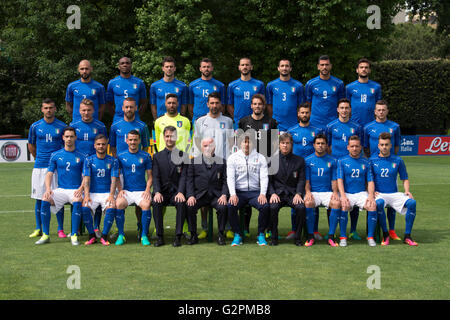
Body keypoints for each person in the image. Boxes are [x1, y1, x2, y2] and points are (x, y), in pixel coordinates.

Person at [35, 127, 85, 246]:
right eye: (67, 136)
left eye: (71, 136)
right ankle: (45, 235)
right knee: (45, 199)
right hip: (61, 189)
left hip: (76, 189)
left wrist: (81, 188)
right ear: (63, 137)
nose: (69, 139)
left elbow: (86, 177)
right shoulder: (55, 155)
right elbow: (49, 174)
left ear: (75, 138)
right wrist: (48, 189)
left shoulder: (82, 156)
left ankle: (73, 235)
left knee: (77, 201)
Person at [192, 92, 233, 239]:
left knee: (224, 195)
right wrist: (197, 164)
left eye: (217, 103)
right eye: (212, 103)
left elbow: (230, 144)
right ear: (207, 104)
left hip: (223, 164)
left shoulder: (228, 121)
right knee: (203, 194)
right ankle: (204, 227)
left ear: (220, 104)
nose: (214, 106)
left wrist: (230, 162)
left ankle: (227, 227)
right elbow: (197, 144)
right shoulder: (200, 121)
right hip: (204, 165)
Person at [237, 93, 278, 238]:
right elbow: (239, 142)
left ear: (264, 106)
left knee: (264, 195)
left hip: (265, 164)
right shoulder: (243, 122)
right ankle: (246, 227)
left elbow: (274, 145)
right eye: (255, 104)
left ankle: (266, 228)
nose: (257, 106)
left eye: (260, 104)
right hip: (249, 164)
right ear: (251, 106)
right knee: (248, 193)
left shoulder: (271, 122)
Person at [370, 132, 418, 246]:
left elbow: (405, 178)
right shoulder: (372, 160)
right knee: (380, 203)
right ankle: (386, 234)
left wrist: (407, 191)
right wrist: (370, 192)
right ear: (378, 146)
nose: (384, 147)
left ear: (391, 145)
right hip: (379, 194)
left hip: (394, 193)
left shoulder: (398, 160)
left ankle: (407, 236)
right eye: (382, 144)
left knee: (412, 203)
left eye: (386, 144)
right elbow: (367, 179)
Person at [28, 98, 67, 239]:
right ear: (42, 109)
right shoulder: (35, 126)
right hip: (39, 167)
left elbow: (65, 146)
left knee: (58, 199)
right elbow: (31, 145)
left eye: (51, 107)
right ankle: (39, 228)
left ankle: (60, 229)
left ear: (55, 109)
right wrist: (38, 157)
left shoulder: (62, 126)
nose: (48, 110)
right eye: (46, 108)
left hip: (56, 169)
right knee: (39, 198)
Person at [363, 100, 401, 239]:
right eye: (378, 110)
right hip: (373, 165)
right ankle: (372, 231)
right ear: (375, 111)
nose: (381, 112)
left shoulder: (394, 126)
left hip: (389, 165)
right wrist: (372, 161)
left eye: (383, 110)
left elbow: (396, 146)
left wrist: (390, 159)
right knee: (373, 197)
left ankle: (391, 230)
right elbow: (365, 147)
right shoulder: (368, 127)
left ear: (387, 111)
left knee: (392, 197)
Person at [70, 98, 107, 236]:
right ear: (79, 111)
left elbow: (103, 144)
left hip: (94, 167)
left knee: (95, 195)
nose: (86, 113)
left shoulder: (100, 126)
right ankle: (78, 228)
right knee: (76, 196)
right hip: (77, 165)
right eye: (83, 110)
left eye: (89, 110)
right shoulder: (73, 125)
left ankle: (96, 227)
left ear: (94, 111)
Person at [286, 102, 322, 240]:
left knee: (314, 196)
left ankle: (315, 230)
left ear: (310, 114)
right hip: (296, 168)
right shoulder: (291, 131)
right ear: (298, 114)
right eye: (302, 112)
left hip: (312, 167)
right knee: (295, 196)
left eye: (307, 112)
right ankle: (294, 230)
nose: (304, 115)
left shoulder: (317, 130)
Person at [226, 134, 270, 247]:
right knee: (230, 205)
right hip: (239, 192)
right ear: (239, 144)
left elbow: (264, 177)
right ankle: (237, 234)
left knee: (265, 206)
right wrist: (233, 194)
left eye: (249, 142)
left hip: (255, 192)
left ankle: (260, 234)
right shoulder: (233, 158)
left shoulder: (260, 158)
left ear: (253, 143)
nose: (246, 144)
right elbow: (230, 178)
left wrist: (262, 194)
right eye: (244, 142)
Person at [335, 135, 378, 247]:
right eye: (352, 146)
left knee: (372, 205)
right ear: (348, 147)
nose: (354, 148)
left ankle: (370, 237)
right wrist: (343, 196)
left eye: (357, 146)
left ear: (360, 148)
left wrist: (370, 196)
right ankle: (343, 237)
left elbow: (370, 181)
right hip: (347, 193)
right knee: (344, 205)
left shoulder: (366, 162)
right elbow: (340, 180)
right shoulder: (341, 161)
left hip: (361, 193)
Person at [186, 137, 229, 245]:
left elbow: (226, 181)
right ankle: (193, 235)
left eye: (210, 145)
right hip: (200, 196)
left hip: (216, 196)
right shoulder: (193, 162)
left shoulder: (222, 162)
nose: (207, 148)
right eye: (205, 146)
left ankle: (220, 235)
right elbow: (189, 181)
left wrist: (224, 195)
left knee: (223, 207)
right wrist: (191, 195)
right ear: (201, 148)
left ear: (214, 147)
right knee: (190, 207)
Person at [152, 126, 188, 247]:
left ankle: (178, 236)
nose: (169, 139)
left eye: (172, 136)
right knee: (156, 203)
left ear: (176, 137)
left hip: (176, 192)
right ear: (163, 137)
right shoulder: (157, 156)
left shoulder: (183, 155)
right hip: (162, 192)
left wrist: (181, 192)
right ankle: (160, 236)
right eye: (167, 136)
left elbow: (184, 177)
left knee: (181, 202)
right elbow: (155, 177)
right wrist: (157, 192)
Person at [115, 130, 153, 246]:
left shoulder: (146, 156)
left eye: (135, 140)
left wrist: (147, 190)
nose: (133, 142)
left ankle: (144, 235)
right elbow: (116, 176)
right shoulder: (121, 156)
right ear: (127, 141)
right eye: (130, 140)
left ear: (139, 141)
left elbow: (150, 177)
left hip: (141, 190)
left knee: (146, 205)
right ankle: (121, 235)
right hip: (126, 190)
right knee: (119, 203)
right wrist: (120, 190)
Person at [268, 133, 306, 246]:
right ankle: (274, 238)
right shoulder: (272, 160)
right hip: (277, 194)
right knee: (272, 207)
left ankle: (298, 238)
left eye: (287, 143)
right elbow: (268, 181)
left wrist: (299, 193)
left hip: (292, 194)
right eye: (283, 143)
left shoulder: (299, 161)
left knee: (301, 207)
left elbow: (301, 180)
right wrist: (272, 193)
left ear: (292, 145)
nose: (285, 146)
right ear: (279, 145)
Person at [303, 134, 340, 247]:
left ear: (326, 146)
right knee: (308, 202)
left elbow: (334, 180)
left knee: (336, 203)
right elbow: (307, 181)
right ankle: (310, 236)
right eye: (318, 143)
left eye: (323, 143)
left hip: (327, 192)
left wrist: (335, 193)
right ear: (314, 145)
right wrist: (308, 192)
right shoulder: (308, 160)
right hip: (313, 192)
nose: (320, 146)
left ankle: (331, 236)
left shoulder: (333, 161)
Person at [81, 134, 119, 246]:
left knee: (111, 207)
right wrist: (86, 195)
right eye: (98, 144)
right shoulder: (88, 160)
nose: (101, 146)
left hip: (107, 192)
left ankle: (104, 236)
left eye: (103, 144)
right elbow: (86, 179)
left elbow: (113, 180)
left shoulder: (113, 160)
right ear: (94, 146)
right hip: (92, 192)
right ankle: (92, 236)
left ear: (107, 145)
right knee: (85, 207)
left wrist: (111, 195)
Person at [305, 55, 345, 131]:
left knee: (332, 143)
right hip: (315, 122)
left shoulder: (339, 83)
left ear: (331, 66)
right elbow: (307, 103)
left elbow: (342, 103)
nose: (324, 67)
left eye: (327, 65)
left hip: (333, 121)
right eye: (322, 65)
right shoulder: (310, 84)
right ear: (318, 67)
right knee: (317, 143)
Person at [266, 59, 305, 132]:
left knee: (292, 143)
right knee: (274, 143)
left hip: (293, 125)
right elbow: (269, 105)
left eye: (287, 66)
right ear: (278, 68)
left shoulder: (298, 86)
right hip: (276, 126)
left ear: (290, 68)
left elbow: (301, 107)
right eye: (282, 66)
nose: (284, 68)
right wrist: (272, 120)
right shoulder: (271, 85)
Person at [106, 57, 148, 124]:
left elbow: (144, 102)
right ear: (119, 66)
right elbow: (108, 103)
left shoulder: (139, 82)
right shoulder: (112, 83)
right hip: (118, 119)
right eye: (122, 63)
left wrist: (137, 115)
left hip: (135, 119)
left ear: (131, 65)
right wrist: (116, 115)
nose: (125, 65)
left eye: (127, 63)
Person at [227, 57, 265, 129]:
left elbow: (263, 104)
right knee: (239, 140)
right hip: (239, 122)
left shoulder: (259, 84)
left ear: (251, 67)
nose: (245, 67)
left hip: (257, 121)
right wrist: (236, 117)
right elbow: (229, 106)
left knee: (260, 140)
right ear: (239, 67)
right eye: (243, 65)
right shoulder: (232, 85)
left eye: (247, 65)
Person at [346, 58, 382, 128]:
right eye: (361, 67)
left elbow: (379, 106)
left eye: (366, 67)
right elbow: (346, 106)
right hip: (353, 123)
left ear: (369, 70)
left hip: (371, 123)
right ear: (357, 70)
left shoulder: (376, 87)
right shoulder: (349, 87)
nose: (363, 69)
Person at [188, 58, 226, 124]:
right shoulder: (192, 85)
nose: (206, 69)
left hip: (215, 120)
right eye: (204, 67)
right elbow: (190, 106)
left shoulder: (220, 85)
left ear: (212, 68)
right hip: (197, 120)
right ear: (200, 69)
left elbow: (222, 106)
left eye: (208, 67)